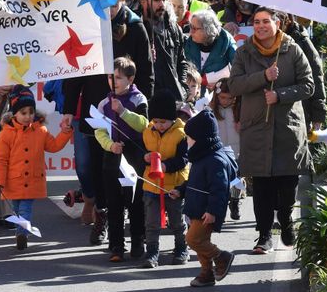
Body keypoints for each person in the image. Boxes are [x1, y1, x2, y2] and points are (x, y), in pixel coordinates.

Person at [62, 0, 153, 247]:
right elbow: (75, 70)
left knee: (121, 171)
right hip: (95, 108)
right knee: (88, 166)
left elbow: (146, 72)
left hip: (126, 114)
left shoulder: (136, 28)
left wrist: (142, 106)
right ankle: (98, 206)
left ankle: (120, 220)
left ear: (122, 1)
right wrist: (69, 109)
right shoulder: (86, 26)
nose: (107, 9)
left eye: (112, 4)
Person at [228, 7, 314, 254]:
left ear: (278, 23)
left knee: (287, 184)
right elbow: (234, 85)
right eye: (256, 22)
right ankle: (263, 235)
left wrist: (280, 95)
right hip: (256, 127)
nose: (260, 26)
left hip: (287, 128)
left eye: (266, 21)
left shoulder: (292, 49)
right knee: (262, 186)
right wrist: (263, 76)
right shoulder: (244, 52)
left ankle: (286, 222)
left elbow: (308, 85)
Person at [113, 89, 189, 269]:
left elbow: (184, 159)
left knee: (177, 221)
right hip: (151, 185)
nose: (159, 125)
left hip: (174, 185)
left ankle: (181, 248)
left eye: (163, 122)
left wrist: (167, 166)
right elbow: (139, 153)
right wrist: (145, 158)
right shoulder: (148, 132)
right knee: (152, 223)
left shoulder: (181, 134)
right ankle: (152, 252)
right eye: (155, 121)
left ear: (172, 118)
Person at [0, 86, 73, 250]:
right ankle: (21, 229)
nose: (28, 116)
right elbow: (1, 159)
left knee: (25, 207)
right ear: (14, 113)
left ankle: (22, 232)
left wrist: (65, 133)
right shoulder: (6, 133)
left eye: (30, 112)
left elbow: (54, 146)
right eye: (23, 113)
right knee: (16, 209)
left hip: (32, 179)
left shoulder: (40, 130)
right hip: (13, 180)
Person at [95, 57, 149, 262]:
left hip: (134, 157)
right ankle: (117, 245)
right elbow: (100, 132)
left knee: (135, 200)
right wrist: (110, 145)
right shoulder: (103, 103)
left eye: (118, 77)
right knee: (114, 202)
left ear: (131, 78)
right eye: (110, 77)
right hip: (113, 156)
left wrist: (123, 112)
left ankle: (138, 239)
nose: (113, 81)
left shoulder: (138, 99)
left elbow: (143, 125)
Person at [175, 110, 237, 287]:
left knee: (193, 239)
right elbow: (193, 182)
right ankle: (206, 273)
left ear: (201, 138)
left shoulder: (215, 160)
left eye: (189, 137)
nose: (187, 141)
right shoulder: (201, 156)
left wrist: (212, 211)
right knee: (201, 242)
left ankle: (222, 256)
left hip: (206, 210)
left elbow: (220, 190)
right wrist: (180, 190)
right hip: (196, 207)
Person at [138, 0, 189, 102]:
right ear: (143, 2)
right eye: (156, 0)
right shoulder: (136, 28)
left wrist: (183, 88)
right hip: (146, 99)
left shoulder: (173, 28)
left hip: (173, 97)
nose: (161, 4)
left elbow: (182, 62)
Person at [210, 78, 243, 220]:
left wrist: (242, 127)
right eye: (222, 97)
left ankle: (235, 202)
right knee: (221, 182)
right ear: (217, 96)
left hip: (237, 151)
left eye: (230, 98)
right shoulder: (211, 111)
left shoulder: (239, 110)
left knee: (237, 180)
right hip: (219, 151)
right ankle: (220, 207)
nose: (225, 101)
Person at [185, 10, 237, 92]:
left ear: (207, 29)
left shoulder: (227, 43)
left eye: (194, 28)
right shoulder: (187, 43)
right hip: (192, 94)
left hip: (219, 94)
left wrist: (223, 84)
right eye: (190, 26)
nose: (190, 32)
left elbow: (238, 71)